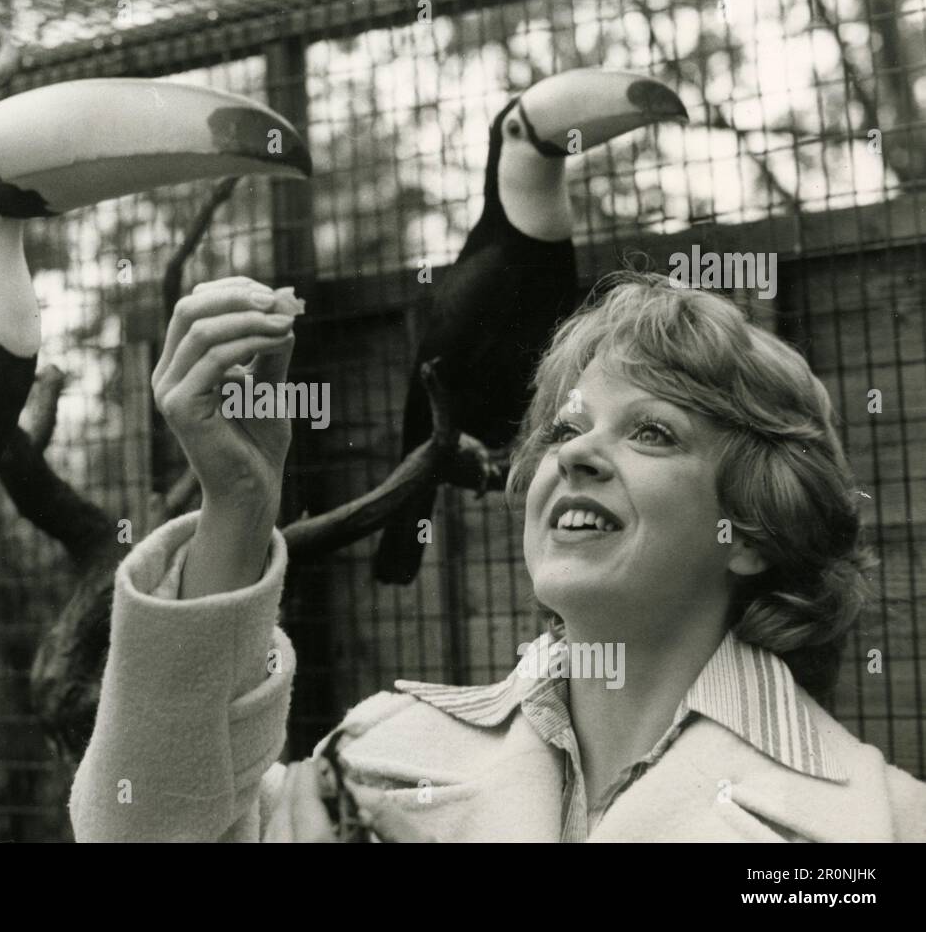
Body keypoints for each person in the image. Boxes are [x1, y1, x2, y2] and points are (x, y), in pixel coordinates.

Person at [69, 272, 926, 841]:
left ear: (755, 530)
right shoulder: (374, 762)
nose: (577, 455)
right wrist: (239, 503)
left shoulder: (871, 828)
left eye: (654, 432)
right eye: (565, 427)